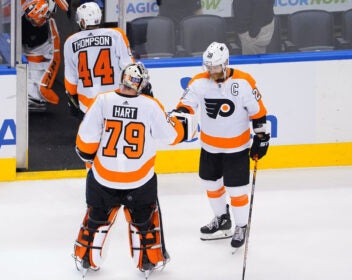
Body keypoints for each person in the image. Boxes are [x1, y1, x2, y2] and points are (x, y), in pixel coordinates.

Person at [72, 62, 197, 278]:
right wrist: (180, 122)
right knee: (144, 221)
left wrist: (90, 160)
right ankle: (148, 260)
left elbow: (84, 141)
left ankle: (86, 257)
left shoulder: (102, 101)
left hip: (103, 179)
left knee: (96, 218)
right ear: (141, 83)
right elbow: (170, 136)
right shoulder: (150, 105)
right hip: (139, 181)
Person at [173, 42, 270, 251]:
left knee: (236, 190)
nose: (211, 71)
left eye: (215, 67)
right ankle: (222, 219)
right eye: (208, 67)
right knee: (210, 184)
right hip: (209, 147)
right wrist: (180, 116)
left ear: (226, 63)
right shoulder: (199, 82)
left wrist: (262, 138)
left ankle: (241, 226)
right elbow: (186, 105)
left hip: (237, 148)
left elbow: (258, 112)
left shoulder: (244, 81)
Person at [63, 2, 135, 120]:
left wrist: (72, 100)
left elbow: (71, 81)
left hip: (87, 104)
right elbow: (130, 68)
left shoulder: (70, 42)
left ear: (82, 21)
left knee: (91, 137)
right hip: (116, 101)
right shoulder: (116, 34)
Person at [22, 0, 69, 111]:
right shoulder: (24, 18)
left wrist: (45, 86)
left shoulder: (48, 27)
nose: (32, 21)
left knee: (35, 62)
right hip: (27, 28)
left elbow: (66, 7)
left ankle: (34, 95)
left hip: (40, 47)